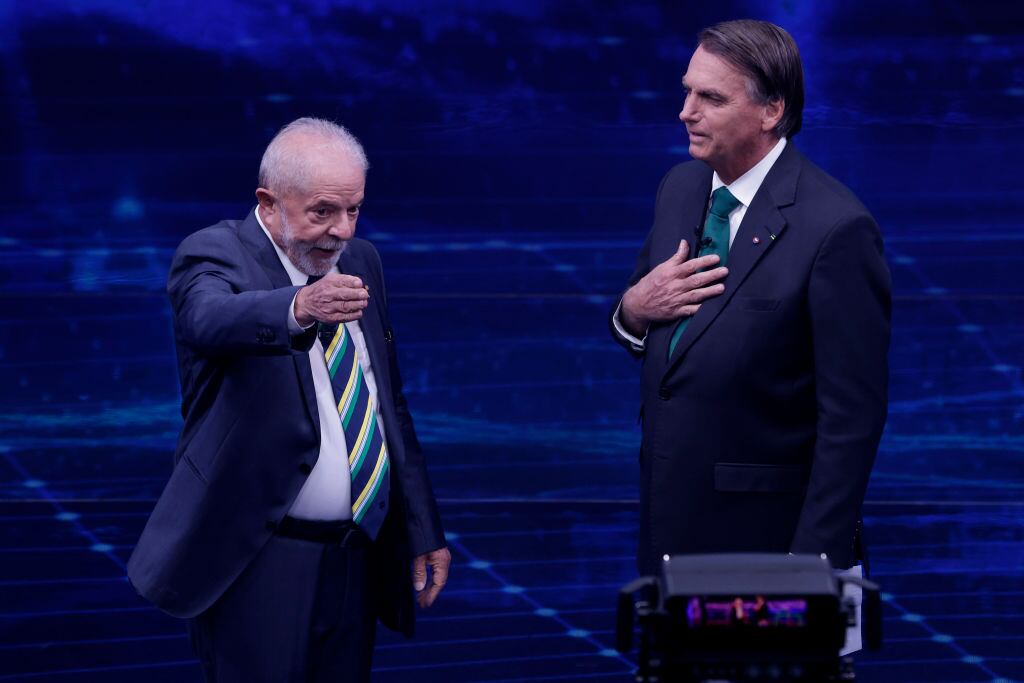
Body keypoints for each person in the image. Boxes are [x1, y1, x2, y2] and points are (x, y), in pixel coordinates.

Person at [127, 117, 450, 682]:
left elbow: (385, 404)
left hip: (356, 556)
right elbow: (207, 319)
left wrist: (422, 530)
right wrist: (298, 309)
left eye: (353, 210)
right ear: (269, 204)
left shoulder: (362, 260)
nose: (342, 231)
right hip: (258, 559)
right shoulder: (213, 252)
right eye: (322, 212)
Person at [611, 18, 889, 622]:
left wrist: (809, 574)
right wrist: (633, 311)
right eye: (686, 91)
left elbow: (851, 424)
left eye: (710, 97)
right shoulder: (679, 189)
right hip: (668, 536)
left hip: (768, 554)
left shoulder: (837, 230)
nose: (686, 111)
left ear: (771, 111)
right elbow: (652, 328)